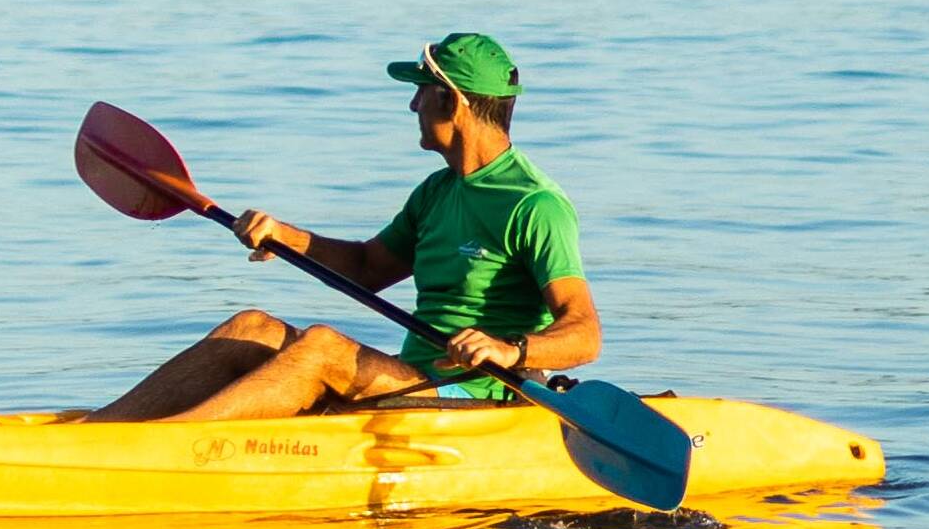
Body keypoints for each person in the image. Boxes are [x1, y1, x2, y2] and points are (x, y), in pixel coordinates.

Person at [88, 32, 600, 424]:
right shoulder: (437, 191)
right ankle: (99, 431)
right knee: (251, 328)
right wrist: (285, 236)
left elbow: (584, 334)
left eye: (420, 92)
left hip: (473, 396)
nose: (412, 106)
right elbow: (367, 268)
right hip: (412, 379)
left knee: (322, 348)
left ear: (453, 101)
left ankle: (166, 445)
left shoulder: (533, 205)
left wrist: (510, 350)